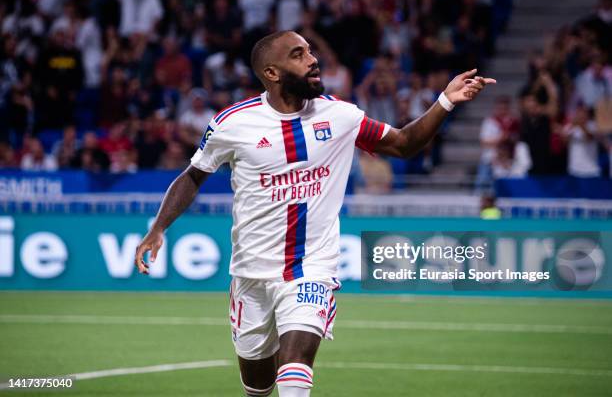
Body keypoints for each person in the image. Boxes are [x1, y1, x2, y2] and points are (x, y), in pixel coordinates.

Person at [134, 31, 495, 397]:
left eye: (310, 51)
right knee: (257, 387)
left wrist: (445, 102)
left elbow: (403, 144)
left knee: (294, 375)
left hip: (311, 269)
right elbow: (194, 175)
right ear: (272, 73)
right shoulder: (233, 124)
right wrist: (158, 227)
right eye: (298, 54)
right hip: (251, 274)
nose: (312, 59)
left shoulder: (340, 116)